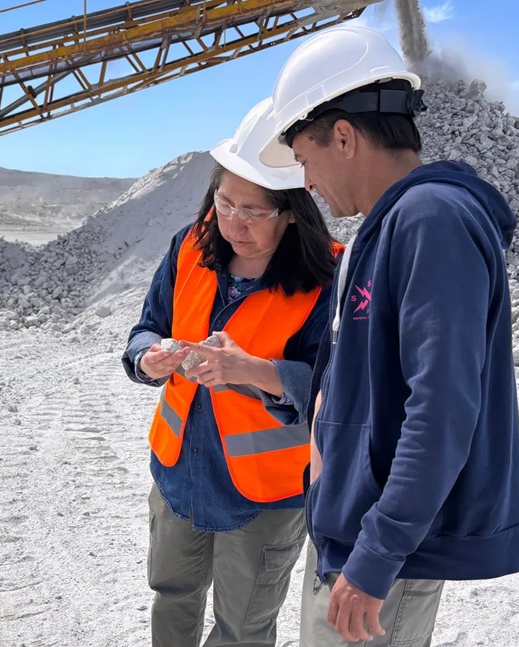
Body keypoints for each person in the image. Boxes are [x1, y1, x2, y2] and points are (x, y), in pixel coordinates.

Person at [256, 26, 519, 646]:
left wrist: (376, 555)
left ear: (345, 137)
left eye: (304, 158)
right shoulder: (383, 231)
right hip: (353, 533)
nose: (305, 182)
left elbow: (440, 408)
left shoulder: (430, 220)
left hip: (378, 551)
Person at [122, 97, 340, 647]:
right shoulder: (190, 246)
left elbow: (336, 385)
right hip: (178, 471)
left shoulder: (327, 276)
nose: (234, 224)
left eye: (255, 212)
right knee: (172, 595)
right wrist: (148, 357)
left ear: (291, 211)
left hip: (263, 496)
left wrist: (255, 371)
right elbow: (146, 328)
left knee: (242, 629)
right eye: (225, 203)